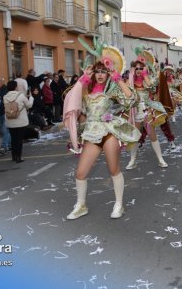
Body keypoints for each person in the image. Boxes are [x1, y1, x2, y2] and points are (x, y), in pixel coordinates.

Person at [63, 48, 140, 220]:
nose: (99, 75)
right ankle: (81, 205)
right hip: (91, 134)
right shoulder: (85, 91)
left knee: (114, 170)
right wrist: (82, 80)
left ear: (107, 74)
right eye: (97, 71)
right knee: (80, 173)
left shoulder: (111, 90)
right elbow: (73, 105)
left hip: (108, 132)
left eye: (103, 71)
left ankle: (119, 204)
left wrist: (117, 77)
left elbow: (131, 99)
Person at [125, 55, 169, 170]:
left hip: (147, 109)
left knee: (151, 133)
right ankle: (132, 160)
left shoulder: (147, 79)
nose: (138, 70)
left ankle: (160, 158)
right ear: (133, 69)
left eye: (141, 68)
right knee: (135, 135)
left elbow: (151, 87)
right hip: (134, 111)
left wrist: (145, 76)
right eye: (136, 68)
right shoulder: (129, 81)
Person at [3, 80, 33, 163]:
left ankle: (13, 156)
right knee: (19, 139)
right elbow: (29, 105)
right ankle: (18, 157)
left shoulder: (5, 97)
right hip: (20, 121)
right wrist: (31, 98)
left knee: (13, 139)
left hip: (10, 120)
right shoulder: (21, 96)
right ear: (16, 87)